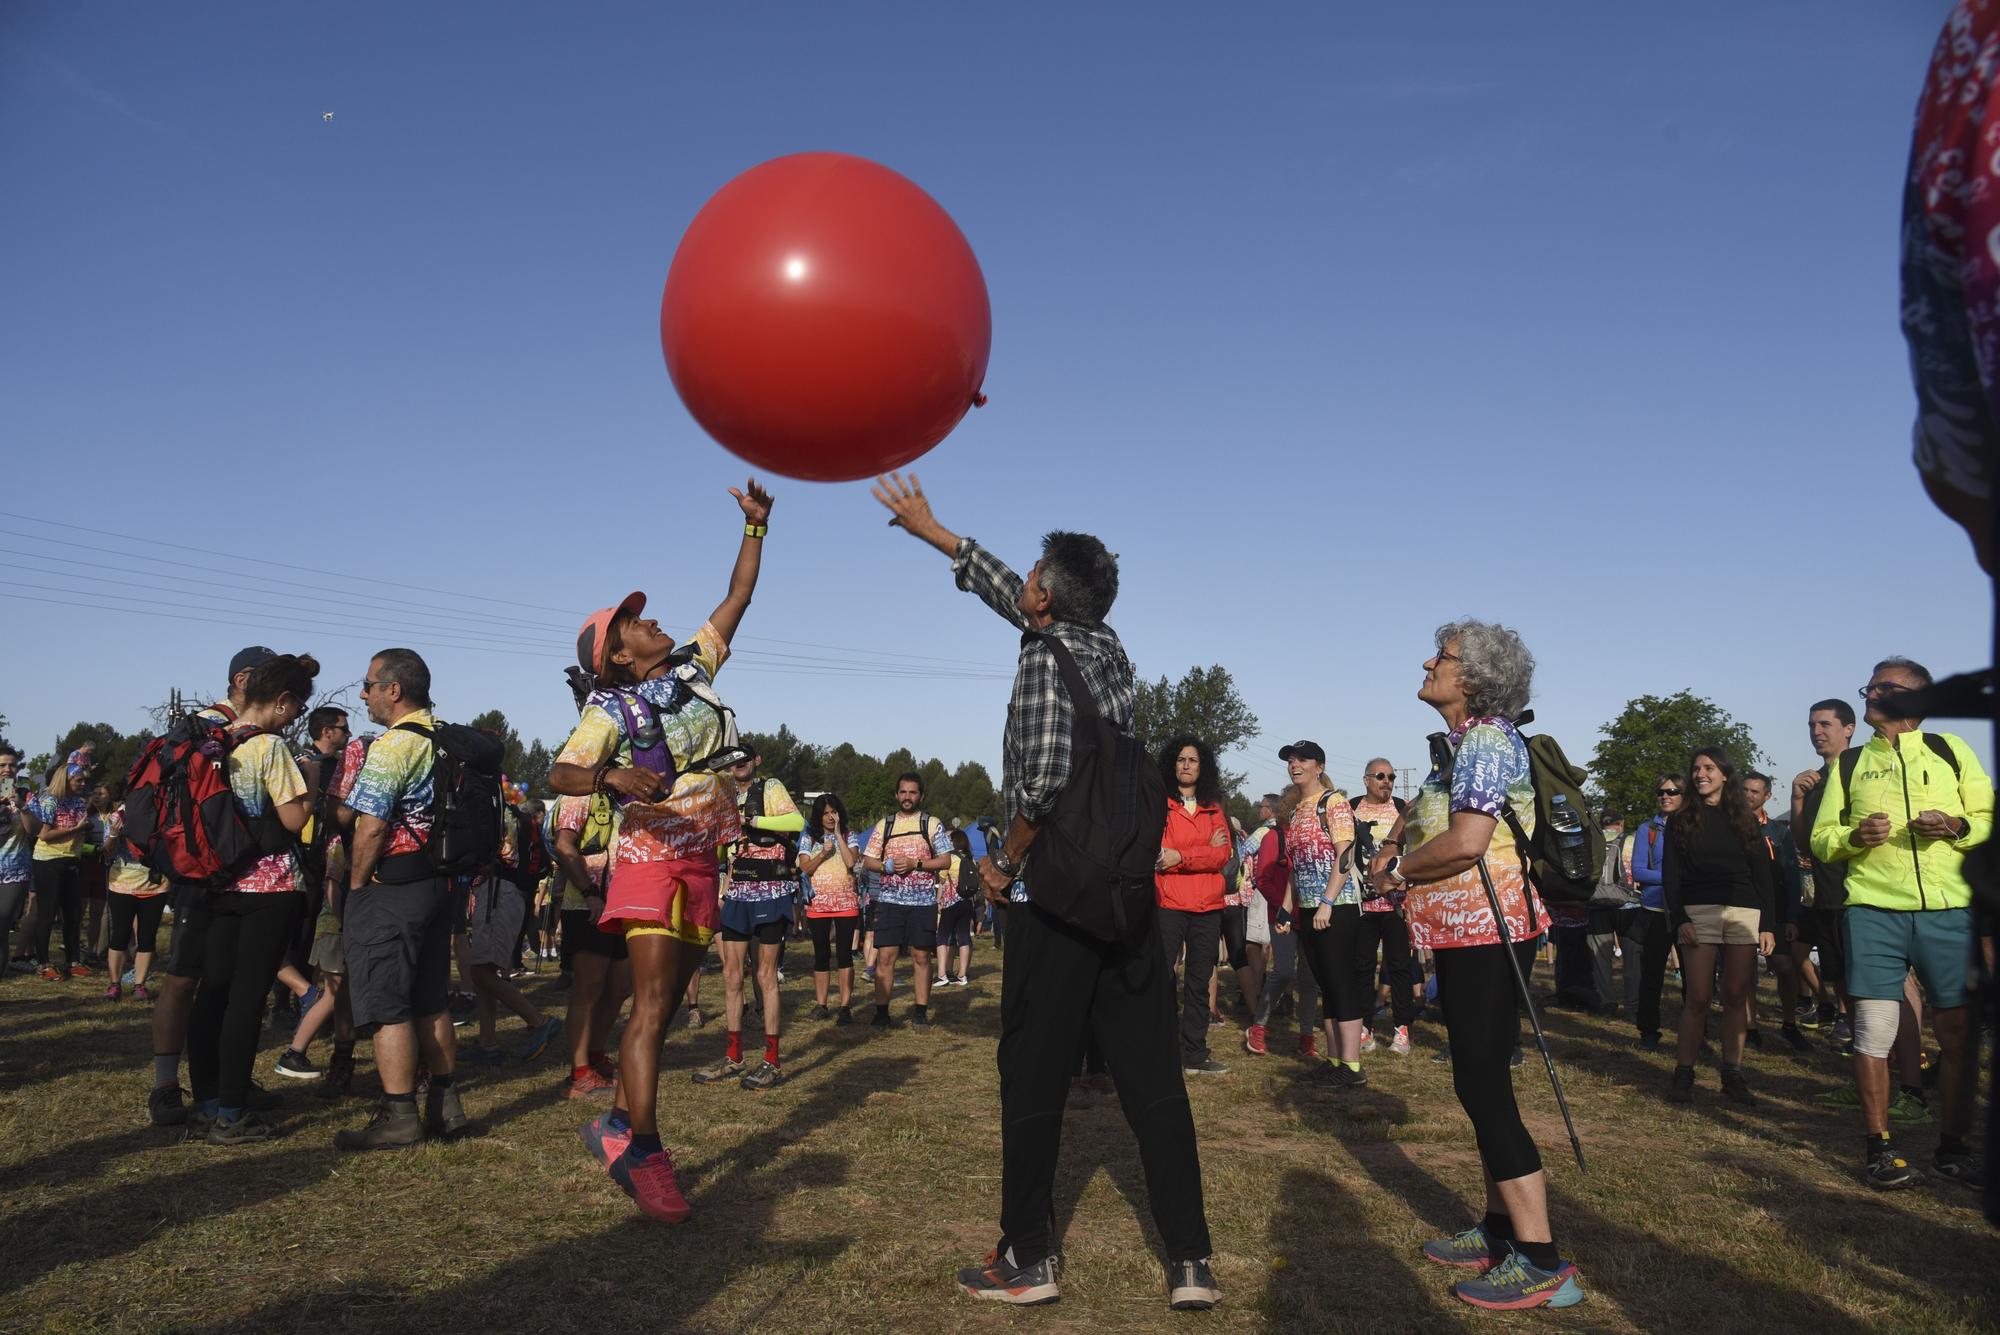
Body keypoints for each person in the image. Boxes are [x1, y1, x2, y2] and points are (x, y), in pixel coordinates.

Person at [872, 471, 1219, 1312]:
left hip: (1056, 901)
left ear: (1044, 598)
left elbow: (1043, 782)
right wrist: (939, 534)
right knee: (1154, 1081)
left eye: (1030, 575)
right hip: (1128, 900)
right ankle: (1192, 1261)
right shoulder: (1108, 649)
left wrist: (1002, 864)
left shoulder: (1040, 662)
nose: (1022, 583)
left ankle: (1028, 1256)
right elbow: (1021, 602)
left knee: (1031, 1074)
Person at [549, 478, 773, 1224]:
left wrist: (755, 528)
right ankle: (644, 1150)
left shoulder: (692, 669)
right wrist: (609, 771)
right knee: (647, 1006)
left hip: (702, 855)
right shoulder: (607, 707)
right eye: (634, 622)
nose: (650, 622)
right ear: (615, 650)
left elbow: (736, 597)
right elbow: (559, 772)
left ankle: (614, 1124)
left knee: (670, 1004)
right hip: (648, 856)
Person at [1370, 620, 1581, 1311]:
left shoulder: (1488, 738)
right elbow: (1430, 816)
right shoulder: (1457, 745)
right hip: (1465, 933)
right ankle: (1498, 1229)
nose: (1428, 661)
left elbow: (1466, 841)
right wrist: (1391, 844)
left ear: (1477, 679)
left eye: (1445, 657)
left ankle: (1541, 1257)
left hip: (1492, 931)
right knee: (1476, 1080)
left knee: (1485, 1086)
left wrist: (1397, 870)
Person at [1809, 656, 1992, 1189]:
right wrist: (1853, 837)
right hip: (1872, 908)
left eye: (1885, 688)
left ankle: (1952, 1148)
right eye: (1869, 685)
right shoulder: (1848, 764)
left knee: (1956, 1034)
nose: (1870, 694)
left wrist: (1956, 824)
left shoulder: (1951, 752)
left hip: (1948, 909)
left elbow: (1986, 818)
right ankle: (1879, 1149)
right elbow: (1822, 838)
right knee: (1873, 1031)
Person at [334, 647, 469, 1151]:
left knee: (388, 1000)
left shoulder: (394, 745)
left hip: (393, 885)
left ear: (395, 690)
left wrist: (355, 885)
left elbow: (370, 826)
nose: (364, 693)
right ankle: (446, 1103)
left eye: (369, 683)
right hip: (440, 882)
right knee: (430, 998)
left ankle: (399, 1115)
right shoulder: (447, 739)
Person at [184, 653, 321, 1144]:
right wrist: (312, 788)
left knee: (212, 995)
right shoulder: (268, 747)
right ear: (281, 701)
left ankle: (206, 1100)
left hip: (218, 882)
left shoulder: (212, 739)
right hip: (268, 887)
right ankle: (234, 1111)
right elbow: (292, 820)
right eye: (298, 709)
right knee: (247, 1000)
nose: (297, 718)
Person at [148, 645, 275, 1127]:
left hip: (240, 875)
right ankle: (165, 1086)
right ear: (243, 679)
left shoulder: (257, 731)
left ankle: (227, 1083)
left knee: (229, 984)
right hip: (200, 873)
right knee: (184, 977)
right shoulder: (203, 726)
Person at [1662, 747, 1776, 1108]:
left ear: (1725, 774)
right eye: (1696, 768)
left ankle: (1732, 1074)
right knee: (1696, 997)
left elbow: (1763, 875)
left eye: (1709, 768)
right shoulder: (1680, 819)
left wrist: (1768, 924)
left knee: (1735, 996)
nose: (1700, 774)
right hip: (1698, 911)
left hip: (1744, 911)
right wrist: (1680, 918)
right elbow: (1671, 876)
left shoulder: (1745, 819)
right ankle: (1684, 1073)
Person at [697, 750, 804, 1091]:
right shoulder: (724, 796)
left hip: (771, 888)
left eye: (743, 757)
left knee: (764, 974)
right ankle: (734, 1057)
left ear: (757, 760)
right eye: (732, 759)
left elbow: (796, 823)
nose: (737, 763)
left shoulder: (770, 787)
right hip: (737, 891)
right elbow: (718, 850)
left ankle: (771, 1061)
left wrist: (752, 822)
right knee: (731, 974)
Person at [1278, 740, 1363, 1085]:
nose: (1295, 764)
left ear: (1320, 766)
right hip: (1310, 908)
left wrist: (1327, 901)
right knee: (1326, 983)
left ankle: (1353, 1067)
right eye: (1291, 760)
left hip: (1337, 908)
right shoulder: (1298, 810)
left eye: (1303, 759)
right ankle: (1334, 1059)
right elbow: (1296, 868)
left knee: (1341, 983)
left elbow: (1345, 857)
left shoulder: (1335, 803)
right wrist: (1286, 909)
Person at [458, 803, 563, 1067]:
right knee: (484, 972)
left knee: (480, 972)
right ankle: (487, 1043)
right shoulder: (505, 810)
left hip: (499, 892)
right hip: (501, 891)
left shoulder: (491, 812)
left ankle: (539, 1021)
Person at [1154, 735, 1233, 1076]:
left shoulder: (1214, 807)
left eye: (1193, 760)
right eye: (1181, 759)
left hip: (1207, 905)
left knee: (1200, 980)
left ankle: (1195, 1052)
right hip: (1168, 902)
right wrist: (1202, 851)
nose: (1186, 765)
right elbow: (1158, 854)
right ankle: (1159, 1046)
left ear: (1203, 767)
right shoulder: (1159, 804)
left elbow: (1222, 854)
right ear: (1172, 764)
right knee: (1161, 977)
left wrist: (1181, 856)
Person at [551, 784, 628, 1099]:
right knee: (589, 988)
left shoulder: (620, 800)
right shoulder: (577, 793)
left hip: (622, 905)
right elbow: (564, 847)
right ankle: (580, 1071)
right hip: (587, 905)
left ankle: (596, 1056)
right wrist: (590, 893)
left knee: (620, 987)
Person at [861, 773, 953, 1029]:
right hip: (890, 900)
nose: (907, 797)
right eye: (903, 792)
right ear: (896, 795)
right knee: (885, 957)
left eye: (912, 793)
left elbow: (945, 860)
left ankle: (920, 1011)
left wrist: (917, 864)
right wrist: (886, 866)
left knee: (921, 957)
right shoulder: (885, 824)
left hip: (923, 902)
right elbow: (867, 860)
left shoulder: (932, 823)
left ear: (921, 796)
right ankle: (882, 1013)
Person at [1790, 699, 1856, 1042]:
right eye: (1812, 725)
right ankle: (1850, 1026)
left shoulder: (1859, 770)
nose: (1817, 732)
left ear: (1849, 728)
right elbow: (1804, 843)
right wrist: (1797, 799)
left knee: (1877, 980)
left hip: (1860, 893)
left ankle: (1909, 1062)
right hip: (1826, 894)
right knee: (1839, 973)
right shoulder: (1814, 781)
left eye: (1825, 724)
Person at [1740, 773, 1809, 1053]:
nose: (1749, 795)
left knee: (1784, 968)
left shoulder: (1780, 832)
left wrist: (1793, 916)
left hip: (1777, 908)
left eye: (1755, 791)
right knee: (1744, 972)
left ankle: (1789, 1024)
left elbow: (1792, 875)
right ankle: (1750, 1027)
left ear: (1767, 795)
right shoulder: (1729, 826)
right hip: (1743, 906)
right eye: (1744, 790)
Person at [1350, 760, 1414, 1055]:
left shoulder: (1402, 808)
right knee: (1362, 967)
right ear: (1366, 780)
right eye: (1380, 776)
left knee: (1400, 966)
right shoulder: (1351, 808)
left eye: (1390, 776)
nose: (1386, 781)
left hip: (1396, 904)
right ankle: (1364, 1027)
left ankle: (1402, 1029)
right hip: (1361, 904)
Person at [21, 751, 94, 980]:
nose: (83, 783)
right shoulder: (50, 800)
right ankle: (43, 963)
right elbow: (44, 834)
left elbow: (82, 828)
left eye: (83, 779)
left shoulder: (78, 801)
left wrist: (84, 832)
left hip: (71, 859)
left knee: (73, 913)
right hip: (48, 862)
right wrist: (77, 829)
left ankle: (73, 961)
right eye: (78, 780)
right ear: (66, 779)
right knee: (47, 912)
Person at [799, 792, 862, 1023]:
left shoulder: (850, 835)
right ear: (818, 815)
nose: (829, 817)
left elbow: (850, 862)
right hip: (818, 905)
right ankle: (821, 1003)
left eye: (833, 812)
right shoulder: (808, 838)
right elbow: (805, 869)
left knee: (845, 954)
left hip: (845, 904)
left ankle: (845, 1006)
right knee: (821, 954)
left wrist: (838, 836)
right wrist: (823, 853)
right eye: (825, 813)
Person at [1629, 777, 1681, 1051]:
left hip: (1686, 911)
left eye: (1672, 791)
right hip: (1654, 909)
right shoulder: (1646, 829)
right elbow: (1638, 872)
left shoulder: (1695, 826)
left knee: (1697, 980)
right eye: (1661, 791)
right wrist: (1673, 878)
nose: (1665, 795)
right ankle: (1648, 1030)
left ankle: (1699, 1033)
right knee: (1652, 976)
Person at [102, 792, 168, 1001]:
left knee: (147, 937)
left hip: (155, 884)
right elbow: (107, 852)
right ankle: (115, 983)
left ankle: (140, 984)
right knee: (120, 935)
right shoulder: (118, 816)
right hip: (123, 883)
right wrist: (113, 835)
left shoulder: (164, 814)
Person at [0, 745, 32, 976]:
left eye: (12, 765)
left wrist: (21, 807)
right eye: (2, 765)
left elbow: (35, 831)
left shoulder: (26, 795)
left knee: (1, 928)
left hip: (14, 871)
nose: (7, 770)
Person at [937, 828, 978, 987]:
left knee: (942, 937)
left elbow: (941, 879)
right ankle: (962, 975)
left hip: (950, 903)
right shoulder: (970, 859)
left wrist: (939, 899)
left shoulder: (950, 858)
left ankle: (942, 975)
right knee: (964, 937)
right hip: (967, 903)